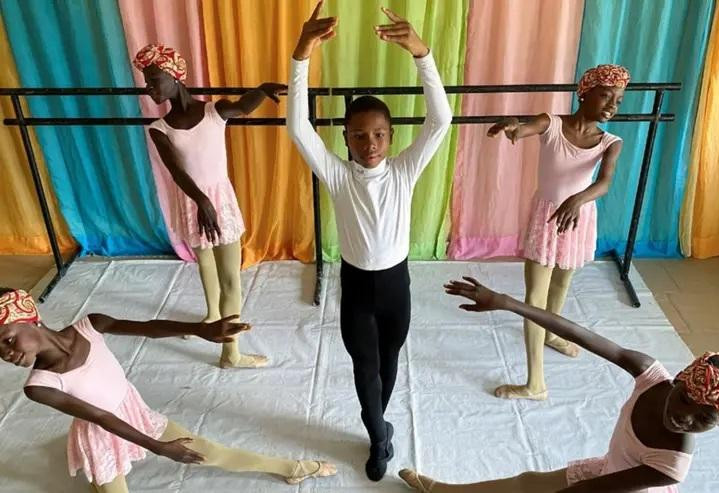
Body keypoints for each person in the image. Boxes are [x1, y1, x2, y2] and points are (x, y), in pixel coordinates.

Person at [287, 1, 452, 481]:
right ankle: (379, 439)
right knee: (365, 368)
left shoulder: (404, 170)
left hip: (396, 284)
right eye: (360, 136)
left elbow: (440, 120)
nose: (370, 143)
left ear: (392, 136)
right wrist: (301, 55)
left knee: (389, 359)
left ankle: (378, 423)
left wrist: (423, 55)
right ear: (346, 140)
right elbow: (298, 127)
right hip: (357, 286)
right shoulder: (338, 177)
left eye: (379, 134)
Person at [398, 277, 719, 492]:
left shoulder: (673, 464)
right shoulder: (651, 375)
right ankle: (442, 490)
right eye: (685, 399)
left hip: (615, 489)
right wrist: (506, 303)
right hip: (606, 475)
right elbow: (579, 334)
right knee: (526, 483)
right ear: (679, 380)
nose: (685, 417)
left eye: (703, 419)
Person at [0, 288, 336, 492]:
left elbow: (147, 328)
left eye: (8, 339)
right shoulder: (40, 386)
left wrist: (200, 329)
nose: (7, 354)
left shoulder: (90, 326)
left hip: (135, 414)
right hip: (101, 436)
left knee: (211, 452)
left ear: (29, 316)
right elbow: (100, 416)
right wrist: (158, 448)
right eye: (0, 350)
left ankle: (293, 468)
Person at [133, 43, 287, 368]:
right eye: (147, 81)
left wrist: (260, 90)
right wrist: (201, 201)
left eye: (153, 80)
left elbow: (243, 106)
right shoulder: (159, 129)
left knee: (231, 276)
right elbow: (176, 171)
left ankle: (230, 352)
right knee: (205, 266)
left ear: (175, 76)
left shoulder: (213, 113)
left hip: (220, 203)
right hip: (193, 204)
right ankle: (213, 317)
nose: (149, 88)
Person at [485, 64, 630, 400]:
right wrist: (513, 127)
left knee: (562, 283)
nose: (611, 105)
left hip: (578, 217)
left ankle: (551, 333)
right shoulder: (552, 123)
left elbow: (605, 182)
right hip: (548, 217)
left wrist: (579, 199)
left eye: (618, 101)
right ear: (584, 93)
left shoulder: (610, 142)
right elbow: (525, 128)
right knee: (535, 297)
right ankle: (535, 382)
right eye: (605, 96)